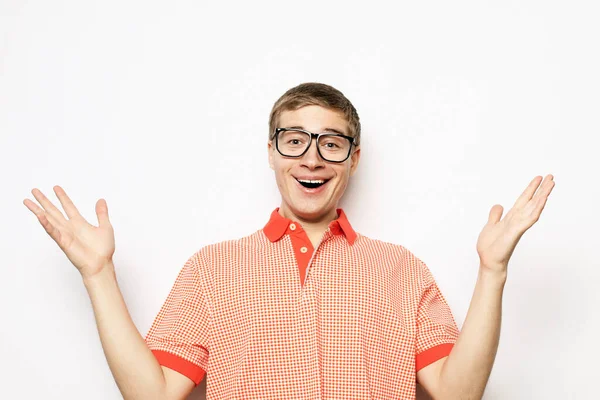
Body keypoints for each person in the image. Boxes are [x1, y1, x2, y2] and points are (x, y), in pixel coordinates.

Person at [24, 82, 555, 399]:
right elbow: (154, 392)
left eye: (332, 143)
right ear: (273, 152)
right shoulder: (214, 269)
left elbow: (457, 393)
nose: (312, 157)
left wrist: (493, 271)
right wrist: (98, 275)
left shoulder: (402, 270)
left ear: (354, 157)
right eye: (295, 140)